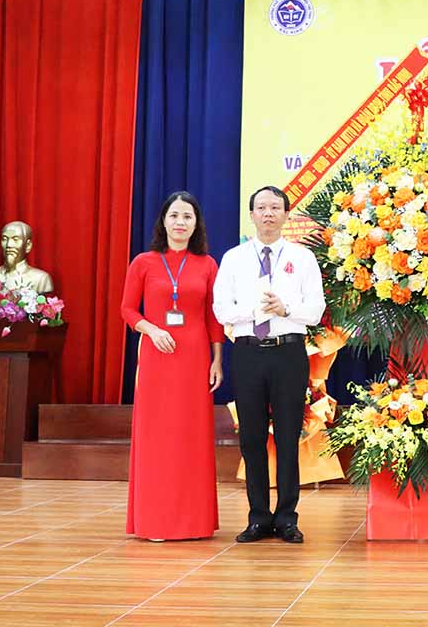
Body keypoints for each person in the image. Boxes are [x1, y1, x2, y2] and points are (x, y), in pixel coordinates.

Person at [213, 185, 325, 544]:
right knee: (252, 437)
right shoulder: (234, 258)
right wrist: (256, 310)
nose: (268, 214)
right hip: (248, 353)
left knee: (289, 436)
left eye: (275, 208)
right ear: (251, 215)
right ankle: (258, 517)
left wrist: (285, 309)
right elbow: (221, 309)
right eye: (261, 208)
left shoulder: (302, 258)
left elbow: (316, 310)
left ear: (286, 214)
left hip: (288, 353)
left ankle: (287, 517)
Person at [120, 191, 224, 541]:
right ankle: (155, 521)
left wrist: (217, 360)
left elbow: (213, 317)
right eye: (175, 215)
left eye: (187, 217)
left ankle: (194, 522)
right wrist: (151, 329)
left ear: (196, 225)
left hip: (195, 359)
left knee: (192, 436)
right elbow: (127, 309)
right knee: (157, 436)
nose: (181, 222)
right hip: (157, 358)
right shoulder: (143, 262)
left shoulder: (207, 265)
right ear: (163, 221)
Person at [0, 220, 54, 292]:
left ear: (28, 245)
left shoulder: (41, 279)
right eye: (5, 239)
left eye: (15, 239)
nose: (8, 245)